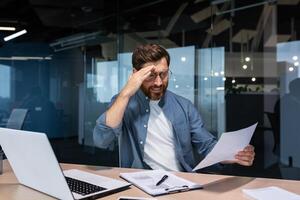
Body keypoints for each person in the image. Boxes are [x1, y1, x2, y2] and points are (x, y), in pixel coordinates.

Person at [93, 44, 255, 172]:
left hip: (180, 180)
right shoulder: (122, 102)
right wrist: (126, 93)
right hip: (138, 182)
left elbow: (206, 145)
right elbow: (102, 140)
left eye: (163, 74)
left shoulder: (184, 106)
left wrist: (234, 154)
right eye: (151, 75)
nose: (158, 82)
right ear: (136, 74)